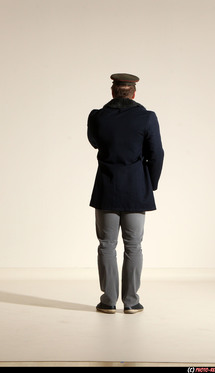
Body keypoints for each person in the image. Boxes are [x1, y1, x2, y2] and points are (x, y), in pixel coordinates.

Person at [87, 73, 164, 314]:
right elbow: (157, 154)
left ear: (113, 92)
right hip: (136, 189)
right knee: (134, 246)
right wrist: (149, 183)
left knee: (106, 245)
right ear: (133, 93)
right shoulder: (147, 118)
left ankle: (108, 301)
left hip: (106, 187)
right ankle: (131, 302)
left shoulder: (97, 117)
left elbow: (95, 141)